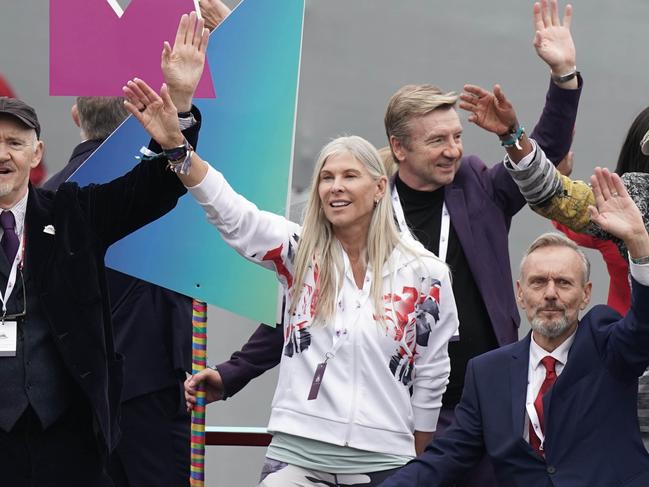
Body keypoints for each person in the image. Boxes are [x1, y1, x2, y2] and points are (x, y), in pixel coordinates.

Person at [191, 1, 581, 484]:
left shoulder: (479, 187)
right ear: (400, 148)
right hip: (395, 417)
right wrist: (233, 373)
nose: (454, 150)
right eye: (439, 141)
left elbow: (544, 159)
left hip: (476, 409)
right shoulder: (362, 208)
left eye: (457, 137)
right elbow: (307, 308)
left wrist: (562, 77)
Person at [132, 69, 463, 484]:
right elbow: (234, 215)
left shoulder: (427, 273)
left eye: (348, 176)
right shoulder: (299, 252)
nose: (334, 188)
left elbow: (432, 372)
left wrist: (416, 460)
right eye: (326, 177)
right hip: (296, 455)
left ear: (379, 187)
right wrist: (179, 151)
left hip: (385, 462)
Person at [0, 13, 208, 487]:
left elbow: (155, 187)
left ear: (37, 155)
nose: (2, 155)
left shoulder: (71, 213)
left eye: (15, 142)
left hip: (67, 438)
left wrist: (179, 117)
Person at [377, 165, 649, 486]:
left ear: (585, 294)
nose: (550, 294)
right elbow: (448, 456)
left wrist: (640, 245)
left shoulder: (606, 345)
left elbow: (642, 328)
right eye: (538, 282)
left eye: (563, 283)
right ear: (520, 293)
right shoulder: (488, 373)